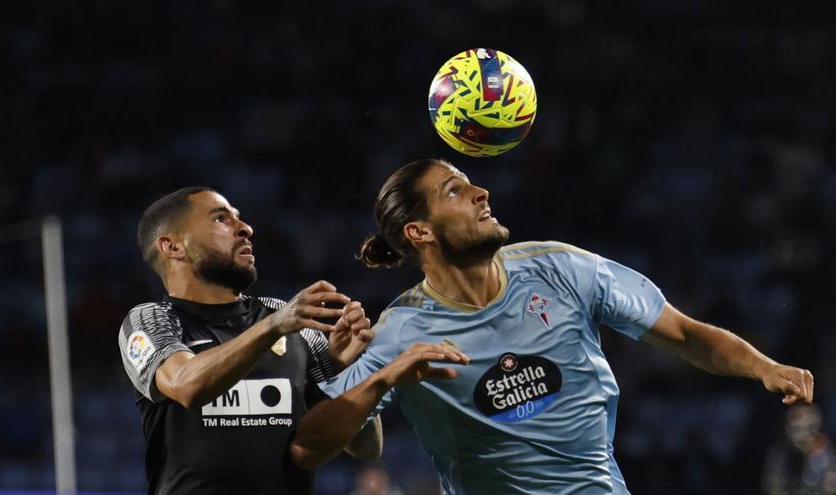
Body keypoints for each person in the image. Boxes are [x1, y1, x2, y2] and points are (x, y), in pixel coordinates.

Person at [308, 158, 815, 494]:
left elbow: (682, 333)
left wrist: (762, 367)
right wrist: (374, 376)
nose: (482, 192)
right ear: (419, 231)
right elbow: (356, 444)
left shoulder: (561, 268)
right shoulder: (400, 330)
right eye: (456, 191)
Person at [118, 186, 468, 495]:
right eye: (221, 219)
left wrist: (350, 370)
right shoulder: (152, 320)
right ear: (172, 246)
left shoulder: (286, 320)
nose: (245, 228)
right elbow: (187, 385)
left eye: (239, 218)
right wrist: (274, 327)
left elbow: (365, 446)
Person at [762, 403, 836, 494]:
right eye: (795, 429)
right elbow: (773, 485)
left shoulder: (825, 456)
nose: (802, 436)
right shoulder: (780, 455)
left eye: (810, 428)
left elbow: (830, 487)